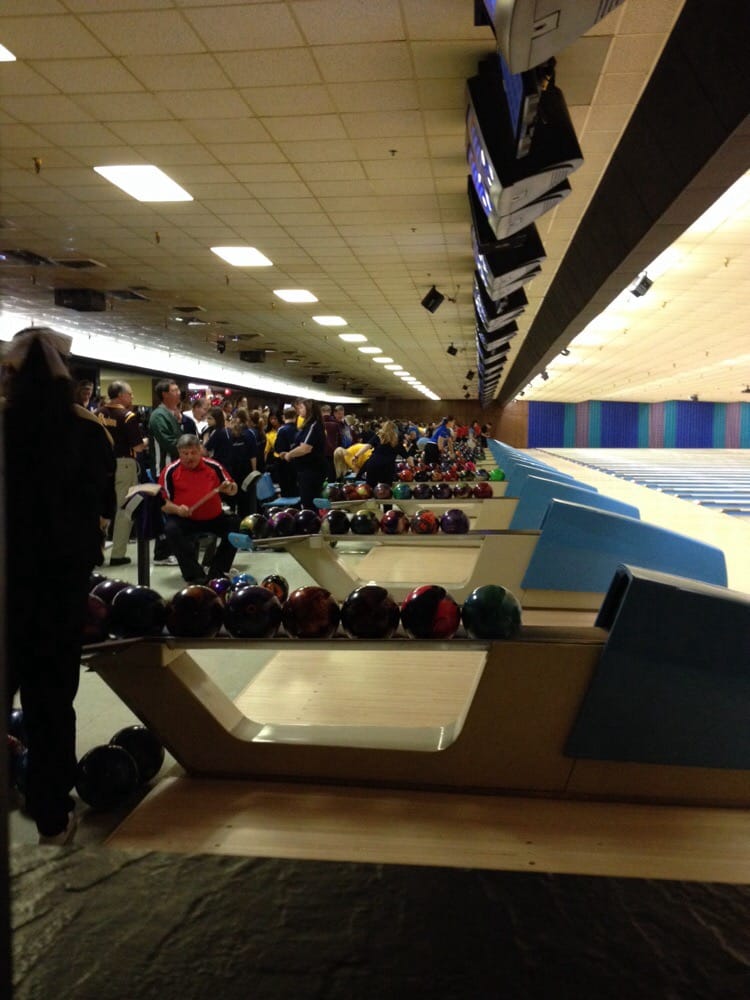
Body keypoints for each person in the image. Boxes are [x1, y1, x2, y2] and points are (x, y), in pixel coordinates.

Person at [4, 327, 116, 845]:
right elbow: (101, 507)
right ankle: (51, 814)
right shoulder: (88, 431)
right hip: (57, 589)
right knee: (50, 702)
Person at [159, 434, 239, 584]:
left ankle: (218, 571)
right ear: (179, 452)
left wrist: (230, 488)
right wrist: (177, 509)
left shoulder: (214, 466)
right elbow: (163, 503)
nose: (190, 457)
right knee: (171, 529)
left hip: (213, 518)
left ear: (200, 450)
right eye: (185, 453)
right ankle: (195, 575)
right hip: (185, 519)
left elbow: (233, 488)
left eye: (193, 453)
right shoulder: (170, 471)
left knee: (235, 524)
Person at [97, 380, 146, 567]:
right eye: (129, 394)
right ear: (120, 395)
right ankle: (117, 554)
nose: (132, 397)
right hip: (123, 464)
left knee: (101, 509)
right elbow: (138, 447)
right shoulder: (127, 416)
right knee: (124, 509)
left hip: (101, 465)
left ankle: (96, 552)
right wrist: (146, 442)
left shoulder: (96, 414)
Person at [148, 378, 183, 566]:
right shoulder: (158, 415)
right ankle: (162, 553)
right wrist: (190, 449)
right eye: (174, 390)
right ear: (164, 394)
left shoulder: (170, 414)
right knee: (166, 510)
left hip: (172, 469)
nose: (178, 393)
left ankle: (169, 550)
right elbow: (169, 441)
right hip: (163, 470)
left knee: (172, 511)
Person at [279, 398, 326, 509]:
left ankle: (311, 519)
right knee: (308, 501)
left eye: (301, 407)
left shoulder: (313, 426)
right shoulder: (308, 425)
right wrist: (290, 452)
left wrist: (289, 455)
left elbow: (305, 448)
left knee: (309, 502)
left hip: (311, 471)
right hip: (307, 470)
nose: (298, 410)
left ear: (309, 409)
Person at [228, 408, 258, 518]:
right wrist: (254, 471)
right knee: (248, 501)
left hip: (234, 471)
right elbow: (253, 455)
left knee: (237, 499)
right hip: (246, 471)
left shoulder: (230, 434)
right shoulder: (249, 434)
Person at [359, 421, 402, 488]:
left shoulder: (378, 436)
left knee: (370, 488)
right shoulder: (397, 440)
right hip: (388, 467)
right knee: (386, 489)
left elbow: (367, 446)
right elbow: (407, 456)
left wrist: (356, 455)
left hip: (374, 464)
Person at [270, 406, 299, 497]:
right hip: (296, 464)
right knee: (295, 490)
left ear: (283, 417)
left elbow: (278, 448)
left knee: (286, 491)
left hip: (284, 465)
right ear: (295, 416)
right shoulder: (298, 430)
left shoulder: (282, 430)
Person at [321, 403, 342, 482]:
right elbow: (339, 439)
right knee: (332, 473)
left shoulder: (318, 423)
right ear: (330, 412)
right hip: (333, 451)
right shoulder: (336, 423)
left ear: (321, 412)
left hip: (321, 451)